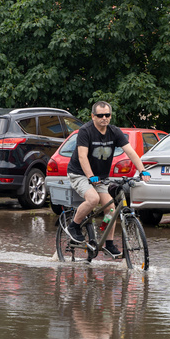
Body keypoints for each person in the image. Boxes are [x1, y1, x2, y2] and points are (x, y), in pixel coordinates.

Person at [65, 101, 150, 257]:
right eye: (100, 115)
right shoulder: (85, 131)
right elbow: (82, 157)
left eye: (107, 115)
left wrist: (142, 170)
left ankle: (108, 242)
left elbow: (131, 152)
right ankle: (74, 225)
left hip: (100, 177)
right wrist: (90, 176)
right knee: (93, 199)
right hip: (79, 173)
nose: (104, 118)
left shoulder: (114, 132)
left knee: (110, 210)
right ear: (93, 116)